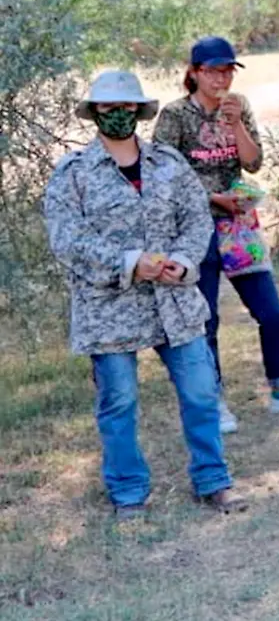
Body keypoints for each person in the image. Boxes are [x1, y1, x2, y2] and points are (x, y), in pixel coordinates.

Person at [44, 71, 248, 519]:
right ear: (94, 112)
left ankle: (213, 481)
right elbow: (67, 239)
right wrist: (130, 261)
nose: (118, 114)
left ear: (139, 111)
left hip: (173, 300)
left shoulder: (169, 163)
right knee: (118, 403)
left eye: (126, 107)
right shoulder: (72, 174)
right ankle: (129, 493)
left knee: (200, 391)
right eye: (108, 107)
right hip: (108, 308)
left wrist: (185, 261)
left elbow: (196, 220)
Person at [154, 36, 279, 433]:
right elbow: (165, 174)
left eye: (228, 70)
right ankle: (214, 401)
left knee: (271, 312)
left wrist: (234, 124)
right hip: (195, 226)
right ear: (194, 73)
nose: (222, 78)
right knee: (206, 317)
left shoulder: (239, 106)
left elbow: (254, 162)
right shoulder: (175, 116)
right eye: (214, 70)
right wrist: (213, 196)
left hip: (238, 225)